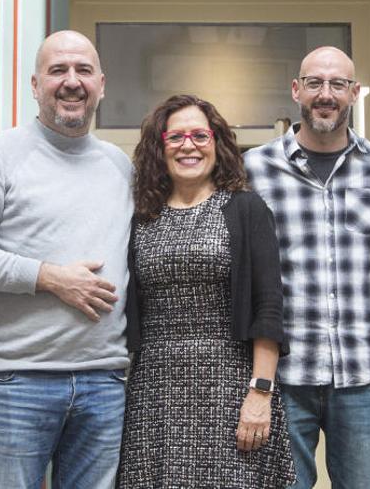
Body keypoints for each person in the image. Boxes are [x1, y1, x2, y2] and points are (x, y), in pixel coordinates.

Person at [0, 30, 132, 488]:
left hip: (105, 384)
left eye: (83, 70)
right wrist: (49, 277)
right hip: (19, 384)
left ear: (101, 84)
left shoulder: (120, 165)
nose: (71, 81)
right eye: (57, 70)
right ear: (34, 84)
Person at [116, 94, 295, 488]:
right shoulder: (141, 216)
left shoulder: (246, 209)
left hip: (232, 388)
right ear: (159, 147)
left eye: (200, 134)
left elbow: (268, 306)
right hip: (153, 390)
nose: (188, 145)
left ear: (217, 143)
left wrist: (260, 392)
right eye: (176, 136)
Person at [244, 46, 370, 488]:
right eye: (314, 83)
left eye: (337, 84)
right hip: (287, 374)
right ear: (297, 90)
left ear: (354, 93)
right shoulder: (254, 168)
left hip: (362, 373)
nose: (325, 94)